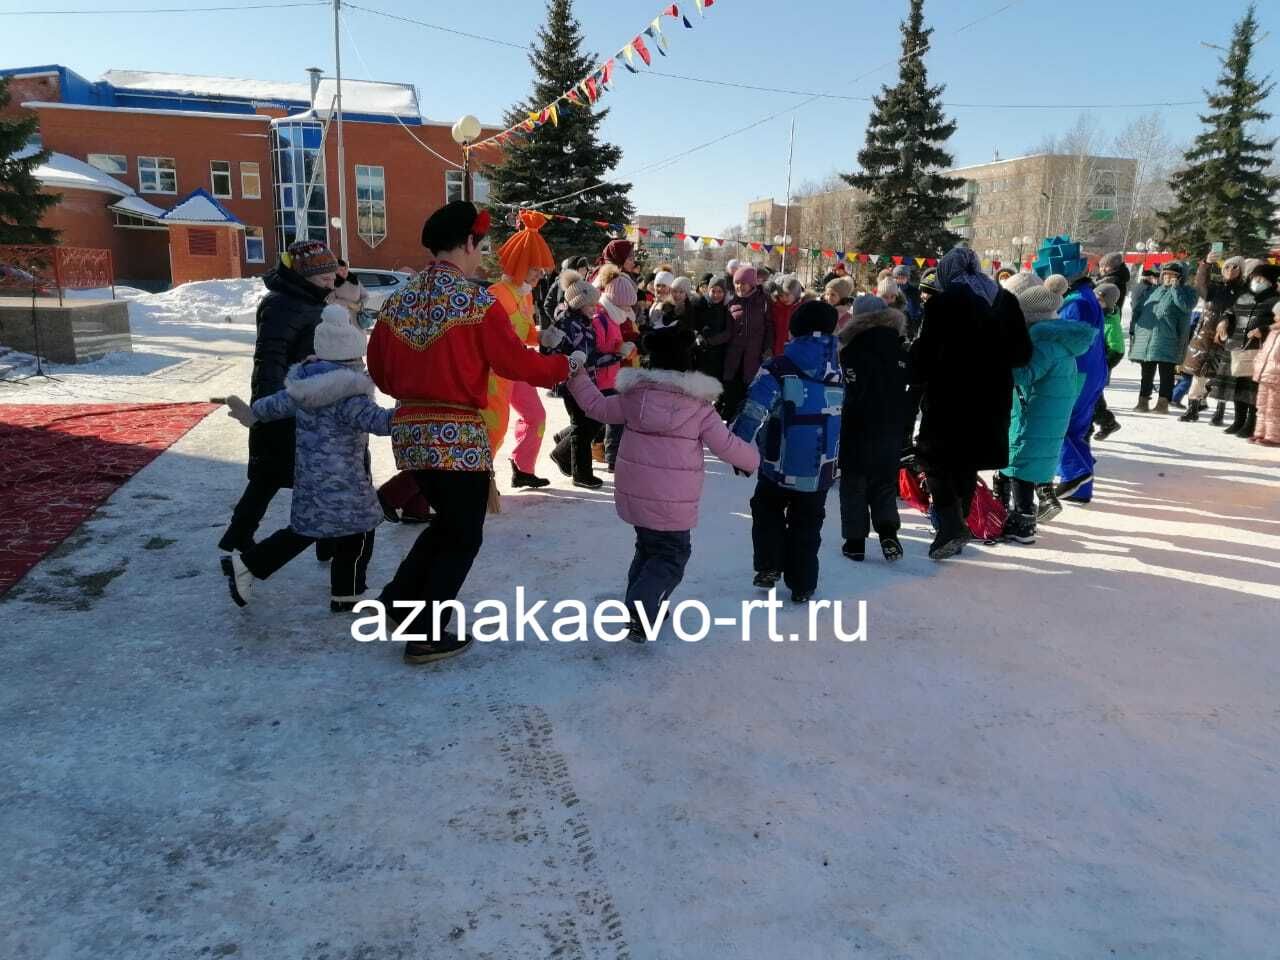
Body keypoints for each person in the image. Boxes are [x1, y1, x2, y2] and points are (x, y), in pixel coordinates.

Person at [367, 201, 578, 664]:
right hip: (457, 433)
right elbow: (515, 363)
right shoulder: (476, 302)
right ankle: (424, 629)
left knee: (449, 524)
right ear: (465, 242)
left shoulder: (398, 300)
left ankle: (398, 601)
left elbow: (379, 372)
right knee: (464, 533)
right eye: (480, 244)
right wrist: (565, 364)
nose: (482, 254)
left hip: (410, 430)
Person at [566, 325, 760, 639]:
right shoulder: (698, 406)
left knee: (647, 549)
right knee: (671, 555)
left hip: (637, 495)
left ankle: (645, 607)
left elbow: (597, 407)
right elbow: (725, 444)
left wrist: (577, 377)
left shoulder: (634, 396)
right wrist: (752, 460)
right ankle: (642, 609)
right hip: (672, 502)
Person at [221, 305, 392, 611]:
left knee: (313, 529)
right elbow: (380, 422)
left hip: (312, 477)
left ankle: (346, 593)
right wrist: (414, 414)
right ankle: (250, 564)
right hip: (345, 482)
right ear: (353, 358)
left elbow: (276, 404)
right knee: (357, 530)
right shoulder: (349, 394)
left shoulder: (304, 385)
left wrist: (252, 413)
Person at [910, 246, 1033, 560]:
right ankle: (955, 527)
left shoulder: (945, 303)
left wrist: (915, 372)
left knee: (932, 459)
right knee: (965, 462)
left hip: (951, 397)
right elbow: (1022, 354)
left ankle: (951, 526)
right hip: (991, 399)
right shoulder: (1004, 301)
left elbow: (925, 355)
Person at [218, 239, 338, 555]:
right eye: (323, 276)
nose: (331, 280)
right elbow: (270, 358)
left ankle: (326, 541)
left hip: (304, 401)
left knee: (288, 476)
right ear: (303, 276)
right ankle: (240, 535)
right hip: (284, 404)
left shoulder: (308, 301)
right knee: (272, 476)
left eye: (331, 275)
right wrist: (269, 406)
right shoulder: (284, 304)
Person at [732, 300, 844, 602]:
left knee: (766, 508)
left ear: (794, 330)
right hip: (821, 466)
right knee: (807, 524)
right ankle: (803, 583)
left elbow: (755, 409)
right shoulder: (840, 370)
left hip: (778, 463)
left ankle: (769, 563)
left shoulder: (778, 367)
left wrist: (738, 448)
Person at [996, 275, 1096, 543]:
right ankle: (1020, 513)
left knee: (1021, 466)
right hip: (1049, 414)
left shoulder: (1044, 343)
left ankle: (1024, 521)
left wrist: (1000, 365)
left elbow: (1025, 375)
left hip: (1036, 415)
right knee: (1028, 464)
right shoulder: (1060, 340)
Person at [480, 210, 558, 491]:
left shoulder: (525, 294)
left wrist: (543, 337)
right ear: (520, 264)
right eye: (535, 268)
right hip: (496, 371)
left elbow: (524, 331)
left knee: (536, 416)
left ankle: (523, 468)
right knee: (495, 425)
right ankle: (478, 481)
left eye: (541, 270)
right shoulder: (496, 293)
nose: (539, 275)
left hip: (518, 366)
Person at [1031, 236, 1106, 505]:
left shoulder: (1076, 302)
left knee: (1055, 424)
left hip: (1077, 374)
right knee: (1075, 427)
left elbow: (1070, 341)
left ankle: (1075, 473)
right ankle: (1080, 488)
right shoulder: (1086, 297)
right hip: (1091, 372)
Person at [837, 295, 909, 563]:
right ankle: (888, 532)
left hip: (856, 424)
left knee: (854, 483)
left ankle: (855, 542)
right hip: (890, 426)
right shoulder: (900, 349)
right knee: (884, 483)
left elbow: (847, 390)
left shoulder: (850, 350)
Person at [546, 270, 626, 488]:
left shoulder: (584, 322)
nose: (594, 309)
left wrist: (615, 356)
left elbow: (590, 356)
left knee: (588, 423)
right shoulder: (567, 324)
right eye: (590, 305)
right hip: (570, 382)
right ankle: (580, 472)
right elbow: (559, 353)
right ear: (578, 303)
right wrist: (572, 362)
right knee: (584, 424)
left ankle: (566, 458)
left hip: (584, 380)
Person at [1209, 262, 1279, 438]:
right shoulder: (1243, 296)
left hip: (1259, 348)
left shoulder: (1275, 300)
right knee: (1238, 387)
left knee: (1252, 389)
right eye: (1255, 277)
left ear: (1270, 282)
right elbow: (1230, 311)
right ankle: (1238, 420)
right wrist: (1224, 320)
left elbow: (1278, 322)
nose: (1256, 281)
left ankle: (1251, 422)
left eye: (1261, 278)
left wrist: (1263, 330)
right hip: (1237, 346)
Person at [1182, 254, 1245, 423]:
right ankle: (1192, 409)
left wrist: (1228, 324)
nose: (1230, 270)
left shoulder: (1244, 292)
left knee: (1222, 377)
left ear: (1241, 271)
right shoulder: (1214, 288)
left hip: (1227, 338)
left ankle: (1219, 412)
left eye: (1235, 267)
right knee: (1198, 373)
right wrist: (1206, 264)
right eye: (1227, 267)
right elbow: (1200, 284)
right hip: (1204, 336)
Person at [1129, 262, 1196, 413]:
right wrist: (1135, 329)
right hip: (1147, 339)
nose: (1168, 277)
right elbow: (1140, 310)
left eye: (1172, 275)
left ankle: (1163, 403)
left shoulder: (1187, 292)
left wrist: (1176, 288)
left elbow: (1185, 306)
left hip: (1168, 339)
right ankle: (1143, 401)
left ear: (1179, 277)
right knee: (1146, 373)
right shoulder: (1154, 291)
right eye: (1165, 274)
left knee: (1166, 373)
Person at [591, 265, 639, 470]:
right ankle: (613, 458)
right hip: (602, 377)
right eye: (625, 306)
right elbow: (599, 348)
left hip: (613, 375)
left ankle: (564, 442)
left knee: (600, 420)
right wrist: (619, 349)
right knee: (610, 419)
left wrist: (624, 348)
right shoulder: (601, 318)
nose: (628, 311)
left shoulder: (615, 316)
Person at [720, 265, 773, 421]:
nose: (739, 287)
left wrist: (768, 349)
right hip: (734, 358)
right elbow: (728, 332)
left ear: (752, 284)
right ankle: (729, 432)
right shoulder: (731, 303)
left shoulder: (763, 301)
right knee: (731, 398)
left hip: (754, 357)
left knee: (749, 397)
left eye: (743, 283)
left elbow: (769, 327)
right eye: (737, 283)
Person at [1090, 281, 1125, 439]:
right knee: (1092, 399)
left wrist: (1103, 365)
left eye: (1100, 301)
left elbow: (1117, 349)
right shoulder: (1093, 314)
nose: (1096, 303)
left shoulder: (1110, 322)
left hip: (1098, 367)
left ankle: (1108, 423)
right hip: (1089, 365)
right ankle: (1105, 423)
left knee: (1093, 399)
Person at [1250, 301, 1280, 445]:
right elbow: (1265, 352)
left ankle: (1273, 436)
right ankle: (1260, 432)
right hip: (1265, 374)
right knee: (1262, 405)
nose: (1275, 318)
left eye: (1278, 315)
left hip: (1277, 376)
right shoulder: (1273, 332)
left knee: (1274, 407)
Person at [698, 276, 732, 388]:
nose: (716, 295)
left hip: (720, 353)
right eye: (713, 291)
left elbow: (729, 331)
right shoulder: (700, 304)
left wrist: (712, 341)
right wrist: (699, 336)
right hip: (703, 352)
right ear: (708, 290)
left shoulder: (727, 307)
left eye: (720, 291)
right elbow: (695, 325)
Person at [768, 275, 803, 358]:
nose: (784, 298)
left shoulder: (802, 309)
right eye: (781, 296)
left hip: (795, 350)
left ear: (795, 294)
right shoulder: (775, 308)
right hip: (777, 349)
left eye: (787, 295)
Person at [329, 259, 369, 326]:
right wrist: (348, 303)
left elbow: (366, 296)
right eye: (341, 270)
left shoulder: (355, 280)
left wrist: (361, 304)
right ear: (335, 271)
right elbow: (330, 300)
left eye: (345, 268)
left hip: (357, 318)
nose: (344, 272)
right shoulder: (332, 283)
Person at [892, 263, 923, 339]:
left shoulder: (914, 291)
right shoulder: (892, 290)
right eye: (898, 278)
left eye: (903, 277)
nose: (900, 280)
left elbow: (915, 308)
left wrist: (915, 319)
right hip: (895, 323)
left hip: (910, 324)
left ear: (907, 278)